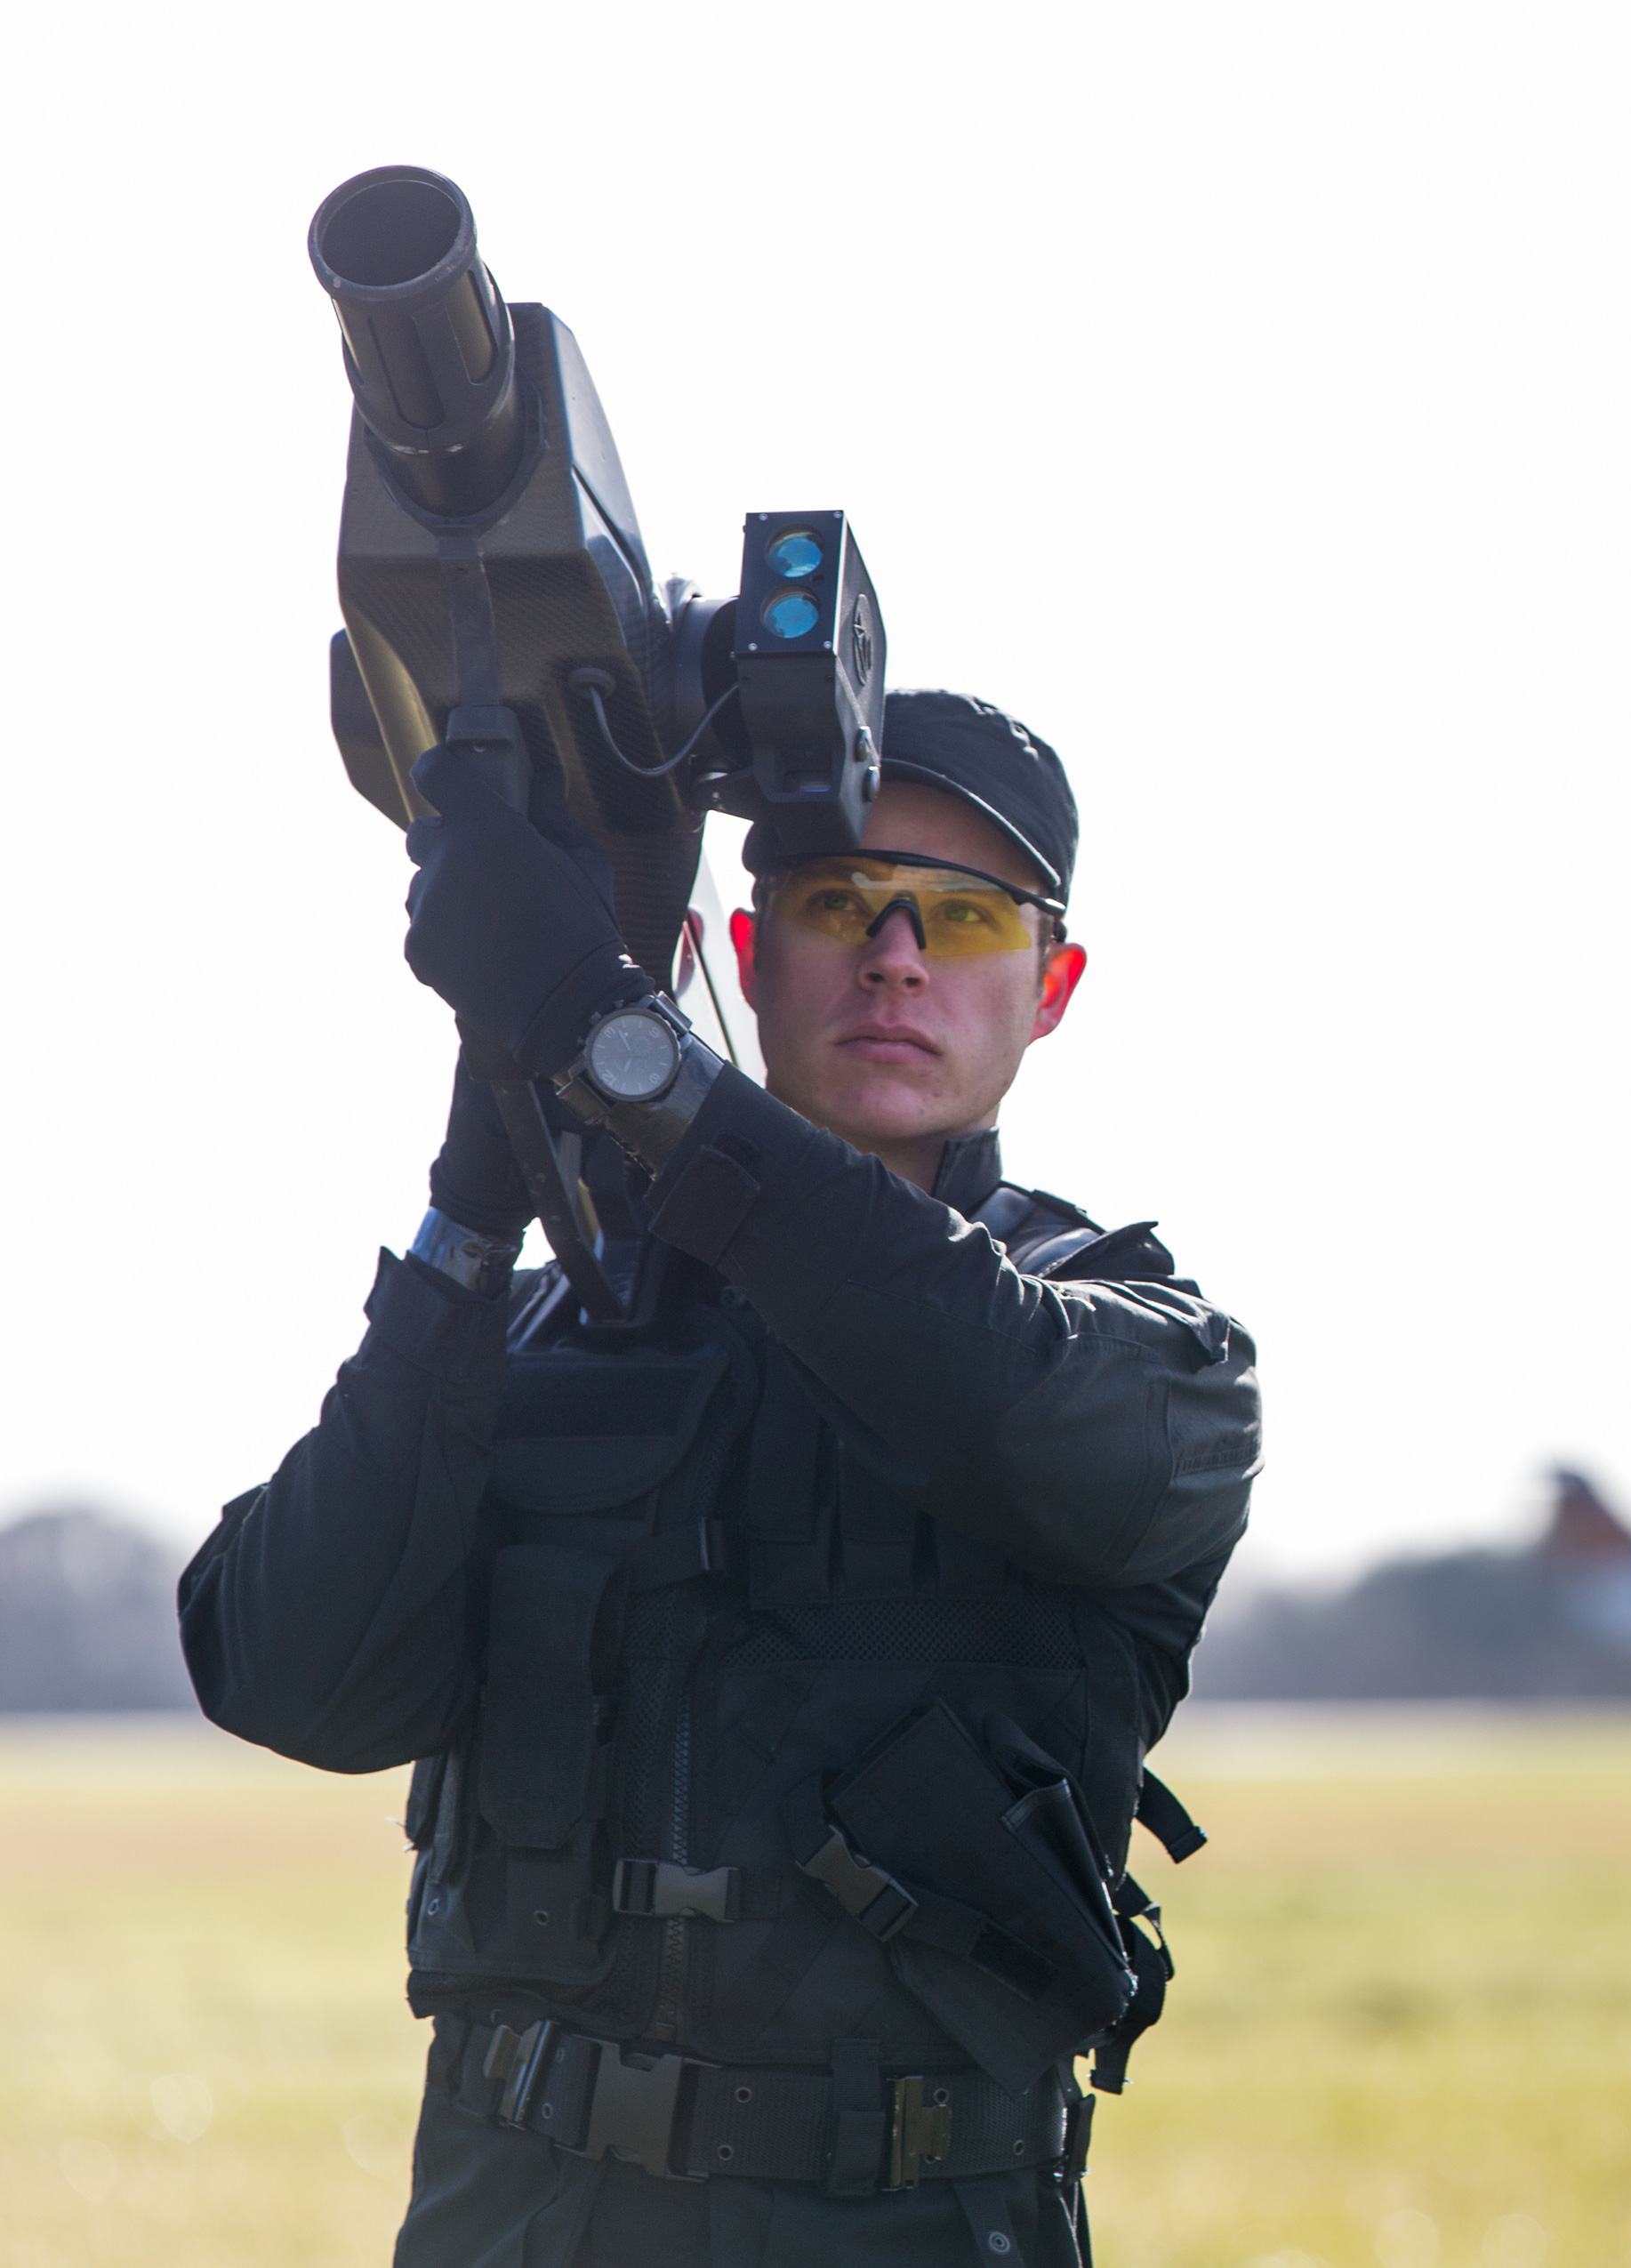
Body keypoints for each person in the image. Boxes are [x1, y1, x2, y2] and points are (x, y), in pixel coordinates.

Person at [180, 692, 1260, 2267]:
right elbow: (292, 1677)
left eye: (962, 916)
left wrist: (611, 1052)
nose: (896, 954)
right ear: (750, 959)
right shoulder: (552, 1321)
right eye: (837, 901)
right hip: (518, 2218)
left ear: (1052, 988)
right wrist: (475, 1208)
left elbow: (971, 1369)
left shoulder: (1142, 1356)